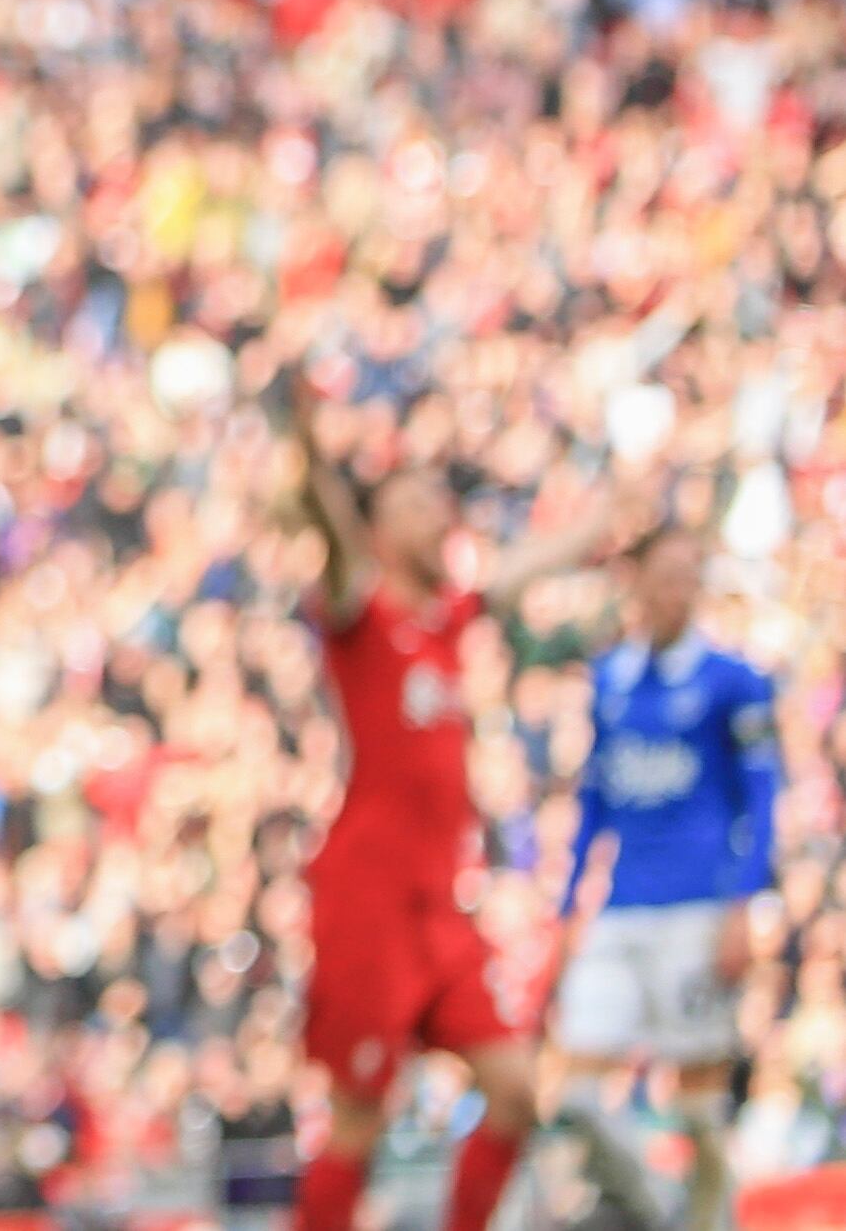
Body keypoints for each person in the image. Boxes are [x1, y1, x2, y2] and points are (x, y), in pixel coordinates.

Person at [275, 373, 605, 1231]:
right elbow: (331, 534)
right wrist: (311, 457)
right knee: (360, 1116)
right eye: (418, 505)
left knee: (514, 1091)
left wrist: (610, 518)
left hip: (440, 905)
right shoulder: (361, 615)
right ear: (380, 530)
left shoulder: (449, 619)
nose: (441, 518)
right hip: (368, 897)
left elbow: (521, 569)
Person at [550, 518, 780, 1231]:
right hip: (621, 907)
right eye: (669, 573)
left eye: (692, 575)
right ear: (638, 582)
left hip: (699, 908)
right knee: (576, 1097)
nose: (682, 589)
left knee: (697, 1106)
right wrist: (566, 904)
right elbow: (595, 800)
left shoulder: (733, 680)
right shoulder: (609, 680)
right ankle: (662, 1214)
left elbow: (763, 800)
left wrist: (744, 906)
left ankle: (711, 1220)